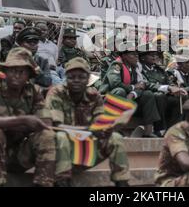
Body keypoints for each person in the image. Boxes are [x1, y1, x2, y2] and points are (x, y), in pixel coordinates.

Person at [0, 47, 59, 187]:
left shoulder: (33, 91)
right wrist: (23, 121)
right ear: (5, 72)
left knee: (47, 135)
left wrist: (10, 124)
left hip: (19, 154)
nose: (16, 75)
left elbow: (45, 122)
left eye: (21, 72)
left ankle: (44, 182)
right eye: (12, 70)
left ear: (29, 75)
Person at [44, 57, 130, 187]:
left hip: (86, 149)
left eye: (81, 77)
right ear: (66, 77)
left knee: (115, 138)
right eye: (72, 77)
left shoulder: (93, 95)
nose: (76, 81)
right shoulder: (56, 93)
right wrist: (87, 131)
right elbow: (56, 126)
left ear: (88, 79)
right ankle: (62, 182)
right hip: (61, 151)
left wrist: (107, 128)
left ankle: (122, 182)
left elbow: (99, 122)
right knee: (60, 137)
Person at [100, 41, 160, 137]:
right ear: (124, 56)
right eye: (133, 54)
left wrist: (133, 93)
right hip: (110, 98)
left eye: (137, 54)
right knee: (120, 91)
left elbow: (141, 85)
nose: (136, 57)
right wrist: (133, 87)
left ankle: (148, 131)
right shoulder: (117, 65)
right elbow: (115, 83)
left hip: (127, 98)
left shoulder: (134, 68)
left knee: (147, 94)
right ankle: (113, 128)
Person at [138, 44, 186, 134]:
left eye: (156, 54)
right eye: (151, 55)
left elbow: (169, 82)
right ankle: (159, 129)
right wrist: (168, 88)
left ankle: (174, 128)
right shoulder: (139, 69)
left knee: (181, 97)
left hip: (165, 95)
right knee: (158, 96)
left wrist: (175, 88)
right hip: (147, 98)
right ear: (143, 57)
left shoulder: (159, 69)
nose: (154, 57)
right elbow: (145, 84)